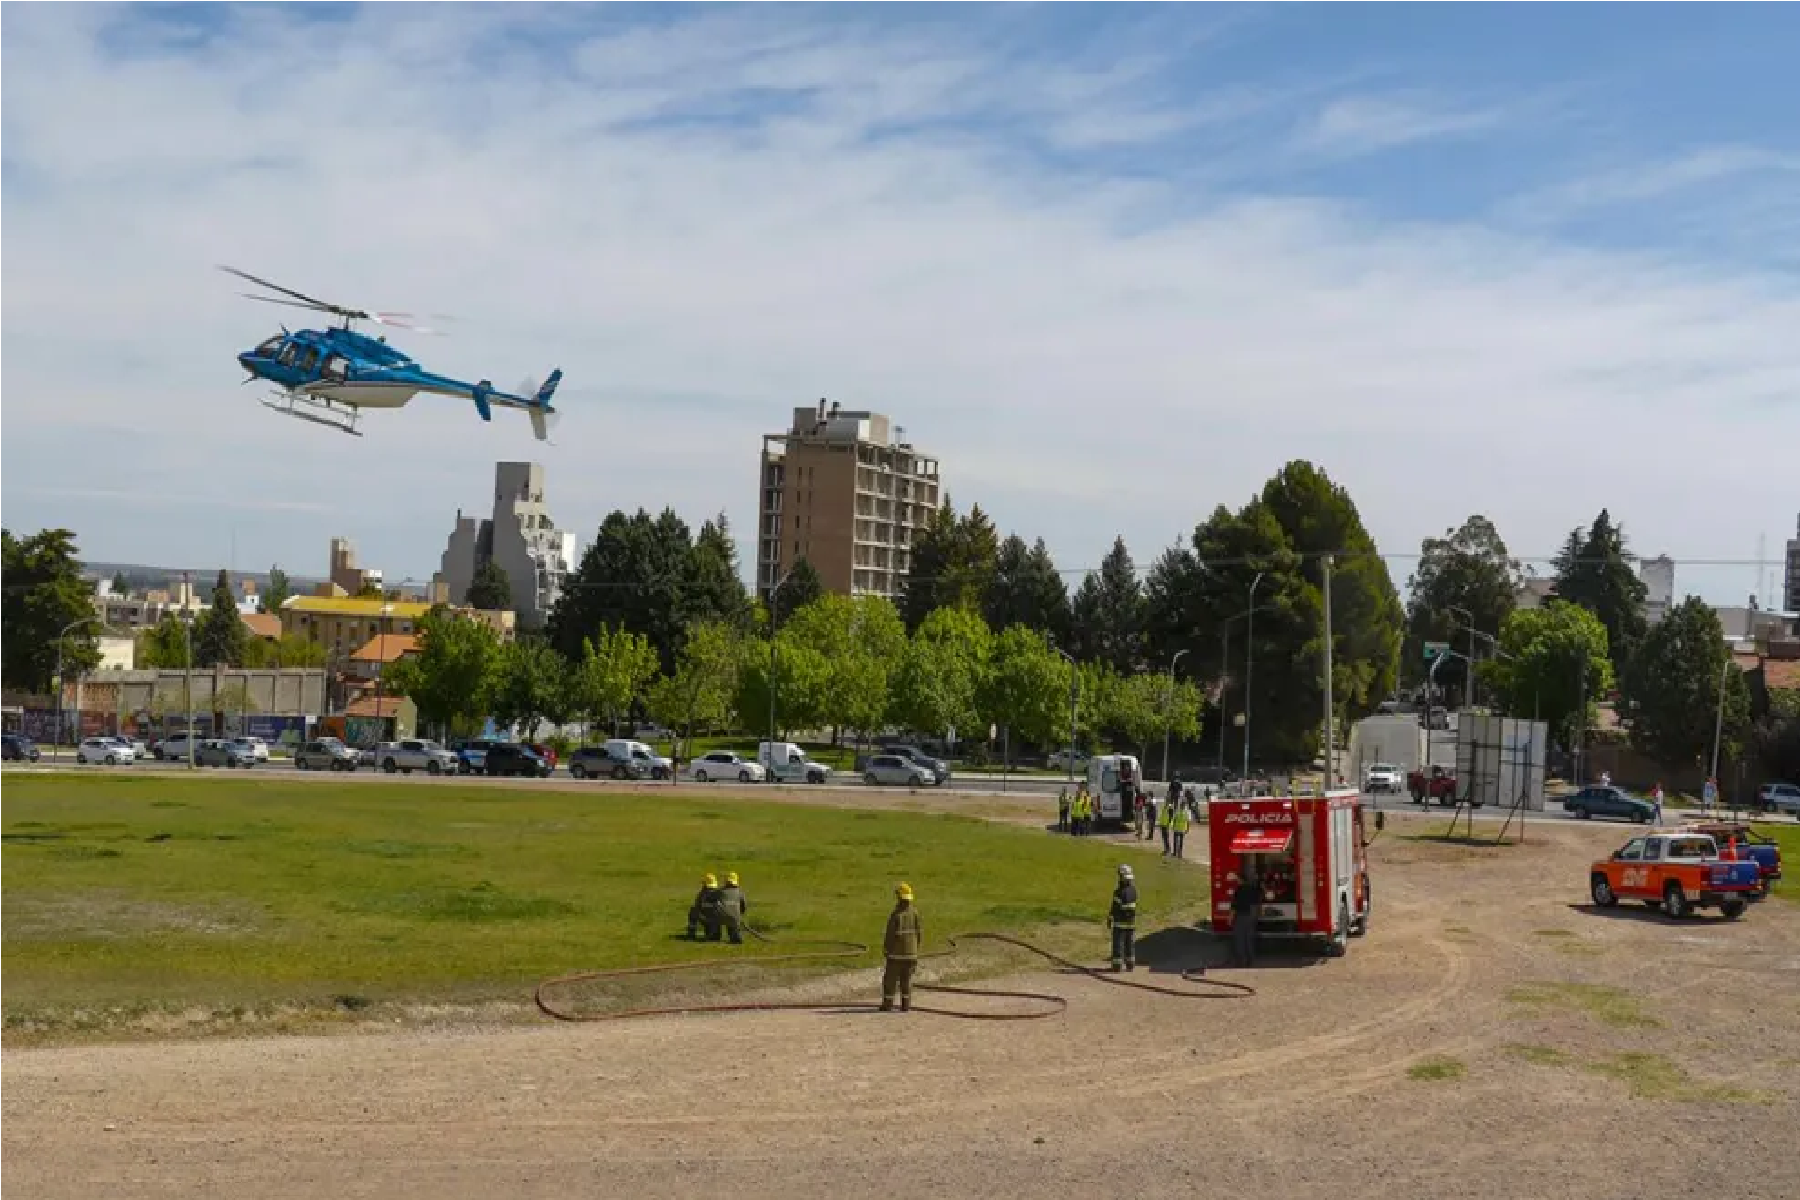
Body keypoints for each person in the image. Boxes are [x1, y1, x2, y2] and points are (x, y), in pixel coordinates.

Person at [882, 882, 922, 1013]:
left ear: (899, 897)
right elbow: (919, 933)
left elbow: (890, 935)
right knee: (906, 980)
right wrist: (916, 949)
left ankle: (888, 1004)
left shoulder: (896, 915)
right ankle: (906, 1005)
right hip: (911, 954)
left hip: (896, 955)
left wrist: (886, 949)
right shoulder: (915, 913)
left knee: (890, 980)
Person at [1108, 864, 1139, 971]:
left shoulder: (1119, 892)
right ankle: (1130, 964)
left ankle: (1117, 965)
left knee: (1118, 944)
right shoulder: (1134, 891)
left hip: (1119, 923)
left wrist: (1110, 917)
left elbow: (1115, 907)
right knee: (1130, 943)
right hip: (1131, 922)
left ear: (1121, 877)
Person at [1231, 871, 1262, 967]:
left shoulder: (1239, 890)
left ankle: (1241, 961)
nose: (1236, 881)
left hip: (1241, 916)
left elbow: (1234, 907)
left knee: (1240, 939)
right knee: (1249, 938)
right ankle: (1250, 960)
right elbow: (1258, 903)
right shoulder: (1254, 889)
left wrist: (1230, 918)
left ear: (1240, 880)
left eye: (1237, 880)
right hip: (1252, 917)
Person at [714, 871, 747, 944]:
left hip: (720, 916)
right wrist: (740, 915)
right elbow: (744, 906)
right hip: (734, 917)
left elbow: (711, 900)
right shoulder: (740, 892)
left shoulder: (720, 891)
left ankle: (715, 934)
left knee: (717, 915)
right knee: (733, 921)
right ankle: (735, 936)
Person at [687, 873, 722, 940]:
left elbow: (697, 906)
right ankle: (715, 933)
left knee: (693, 911)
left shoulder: (701, 894)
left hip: (705, 919)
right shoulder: (719, 893)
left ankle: (691, 934)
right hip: (716, 920)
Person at [1170, 791, 1191, 859]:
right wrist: (1173, 826)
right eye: (1182, 804)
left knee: (1181, 841)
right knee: (1175, 841)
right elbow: (1174, 818)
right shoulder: (1178, 810)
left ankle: (1180, 853)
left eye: (1183, 804)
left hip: (1182, 828)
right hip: (1176, 828)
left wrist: (1187, 828)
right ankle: (1175, 852)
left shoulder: (1187, 812)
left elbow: (1188, 821)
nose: (1182, 805)